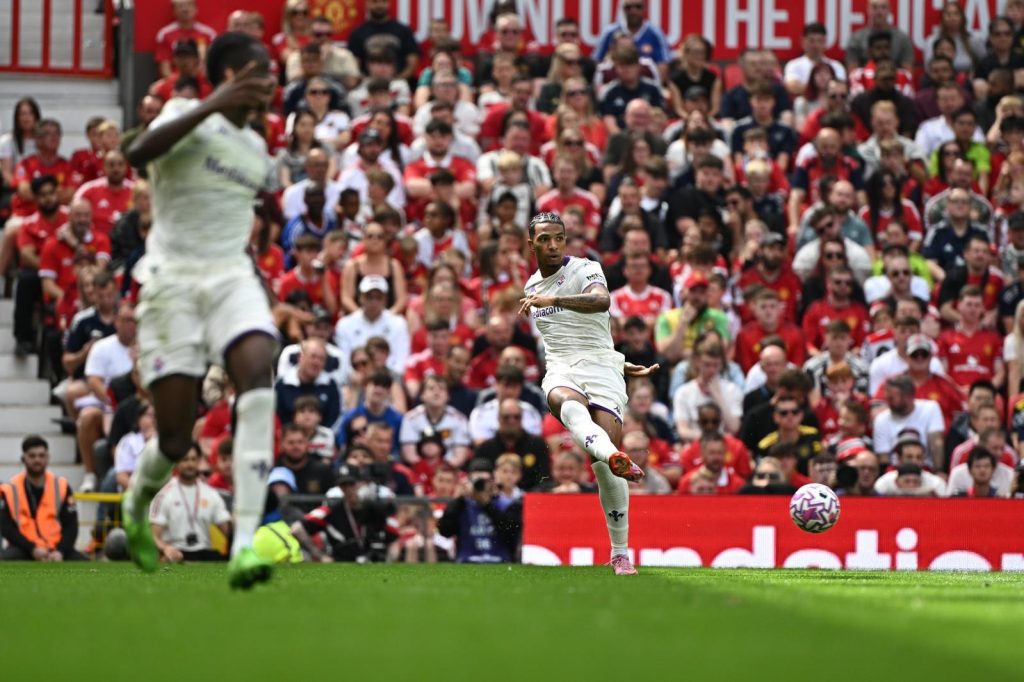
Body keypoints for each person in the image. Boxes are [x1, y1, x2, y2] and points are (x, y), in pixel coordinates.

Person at [120, 32, 281, 588]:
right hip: (172, 284)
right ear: (231, 74)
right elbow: (135, 154)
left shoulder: (257, 150)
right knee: (174, 437)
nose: (270, 82)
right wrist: (213, 104)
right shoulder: (184, 114)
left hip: (231, 278)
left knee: (259, 369)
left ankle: (244, 543)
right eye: (259, 71)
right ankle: (136, 504)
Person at [518, 212, 660, 575]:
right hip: (561, 368)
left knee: (603, 469)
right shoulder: (532, 287)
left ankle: (619, 553)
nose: (553, 245)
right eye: (544, 239)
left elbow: (601, 302)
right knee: (566, 403)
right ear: (531, 244)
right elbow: (561, 340)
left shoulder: (585, 269)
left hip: (602, 369)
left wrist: (617, 362)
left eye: (559, 238)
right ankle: (615, 455)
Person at [0, 435, 83, 561]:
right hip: (23, 549)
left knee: (87, 565)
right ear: (23, 459)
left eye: (41, 455)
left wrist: (60, 551)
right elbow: (6, 527)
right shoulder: (10, 489)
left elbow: (71, 525)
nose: (37, 460)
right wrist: (32, 548)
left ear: (48, 457)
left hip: (56, 548)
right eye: (32, 456)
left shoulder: (61, 486)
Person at [149, 444, 232, 562]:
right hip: (177, 552)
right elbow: (153, 536)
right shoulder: (163, 495)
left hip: (205, 553)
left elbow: (227, 529)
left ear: (199, 461)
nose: (190, 464)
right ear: (176, 463)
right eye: (185, 460)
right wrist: (166, 548)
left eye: (193, 459)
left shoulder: (211, 494)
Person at [437, 458, 522, 563]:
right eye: (477, 481)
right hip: (467, 561)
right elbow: (445, 531)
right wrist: (458, 500)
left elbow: (511, 534)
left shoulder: (507, 505)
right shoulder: (462, 505)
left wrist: (487, 504)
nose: (480, 485)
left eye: (484, 481)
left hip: (500, 560)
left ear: (493, 481)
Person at [473, 398, 552, 491]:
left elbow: (545, 479)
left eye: (516, 417)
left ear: (522, 418)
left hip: (530, 496)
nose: (511, 421)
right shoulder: (485, 448)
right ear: (498, 418)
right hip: (494, 497)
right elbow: (477, 478)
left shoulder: (537, 445)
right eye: (506, 417)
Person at [872, 375, 946, 469]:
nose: (887, 402)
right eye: (887, 397)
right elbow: (884, 459)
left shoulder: (930, 408)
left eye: (892, 398)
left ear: (908, 396)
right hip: (896, 470)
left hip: (925, 468)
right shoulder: (881, 420)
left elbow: (937, 444)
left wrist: (938, 470)